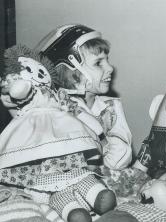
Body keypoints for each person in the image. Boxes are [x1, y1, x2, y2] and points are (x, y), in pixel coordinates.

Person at [0, 45, 116, 222]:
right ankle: (72, 210)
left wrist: (96, 130)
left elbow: (77, 111)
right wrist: (18, 87)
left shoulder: (59, 96)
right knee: (53, 189)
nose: (38, 76)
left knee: (81, 175)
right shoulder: (28, 101)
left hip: (68, 154)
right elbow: (19, 95)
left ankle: (96, 195)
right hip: (39, 155)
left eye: (41, 71)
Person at [35, 24, 133, 170]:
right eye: (98, 63)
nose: (110, 68)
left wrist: (103, 139)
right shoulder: (57, 111)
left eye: (107, 60)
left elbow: (120, 159)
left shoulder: (111, 107)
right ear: (72, 74)